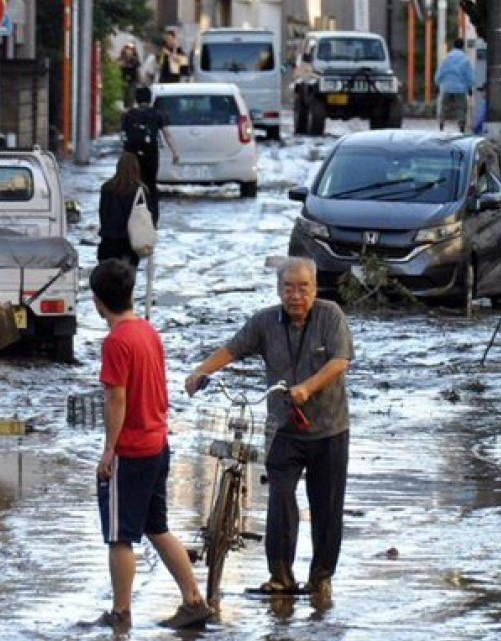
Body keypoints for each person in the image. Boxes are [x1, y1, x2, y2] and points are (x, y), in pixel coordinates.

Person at [184, 257, 354, 606]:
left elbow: (340, 361)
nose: (295, 295)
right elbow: (233, 349)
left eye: (302, 287)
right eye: (288, 288)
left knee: (327, 507)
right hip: (282, 429)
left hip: (329, 429)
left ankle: (321, 578)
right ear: (278, 291)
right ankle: (280, 576)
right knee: (280, 498)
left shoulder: (330, 316)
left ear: (315, 288)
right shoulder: (265, 322)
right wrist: (200, 372)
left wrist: (307, 387)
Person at [79, 259, 212, 632]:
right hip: (158, 443)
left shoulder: (116, 342)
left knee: (119, 535)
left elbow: (115, 400)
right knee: (157, 527)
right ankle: (193, 600)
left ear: (97, 301)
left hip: (133, 451)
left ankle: (121, 613)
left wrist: (109, 451)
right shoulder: (147, 331)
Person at [120, 86, 179, 219]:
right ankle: (152, 218)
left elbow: (123, 136)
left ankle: (132, 217)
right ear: (150, 99)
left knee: (132, 185)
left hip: (131, 155)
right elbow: (167, 134)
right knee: (151, 185)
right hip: (151, 154)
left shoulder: (129, 115)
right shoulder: (156, 114)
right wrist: (175, 152)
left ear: (136, 99)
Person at [97, 152, 150, 268]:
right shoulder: (141, 191)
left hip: (108, 241)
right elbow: (147, 217)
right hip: (130, 244)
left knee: (106, 280)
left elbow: (103, 215)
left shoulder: (106, 188)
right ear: (136, 169)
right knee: (126, 281)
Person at [434, 38, 475, 133]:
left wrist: (437, 83)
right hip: (460, 88)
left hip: (447, 86)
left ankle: (441, 123)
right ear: (462, 46)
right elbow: (469, 75)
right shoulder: (465, 59)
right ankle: (461, 126)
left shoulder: (447, 58)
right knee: (461, 107)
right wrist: (470, 87)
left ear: (453, 45)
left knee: (444, 106)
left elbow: (441, 71)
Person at [118, 42, 141, 108]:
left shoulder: (135, 59)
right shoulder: (121, 58)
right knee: (125, 97)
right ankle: (126, 109)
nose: (129, 51)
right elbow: (118, 64)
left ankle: (130, 109)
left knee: (131, 96)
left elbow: (136, 65)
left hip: (132, 80)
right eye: (127, 49)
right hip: (123, 80)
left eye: (131, 49)